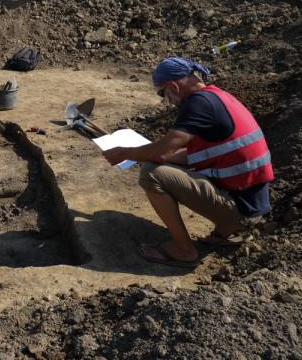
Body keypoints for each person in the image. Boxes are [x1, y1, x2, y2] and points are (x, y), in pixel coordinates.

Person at [102, 57, 273, 268]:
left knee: (151, 173)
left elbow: (162, 153)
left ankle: (184, 251)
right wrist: (160, 155)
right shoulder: (217, 97)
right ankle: (226, 232)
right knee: (164, 165)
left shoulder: (197, 104)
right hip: (252, 206)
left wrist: (125, 153)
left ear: (173, 86)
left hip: (240, 212)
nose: (166, 100)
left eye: (162, 93)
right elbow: (193, 154)